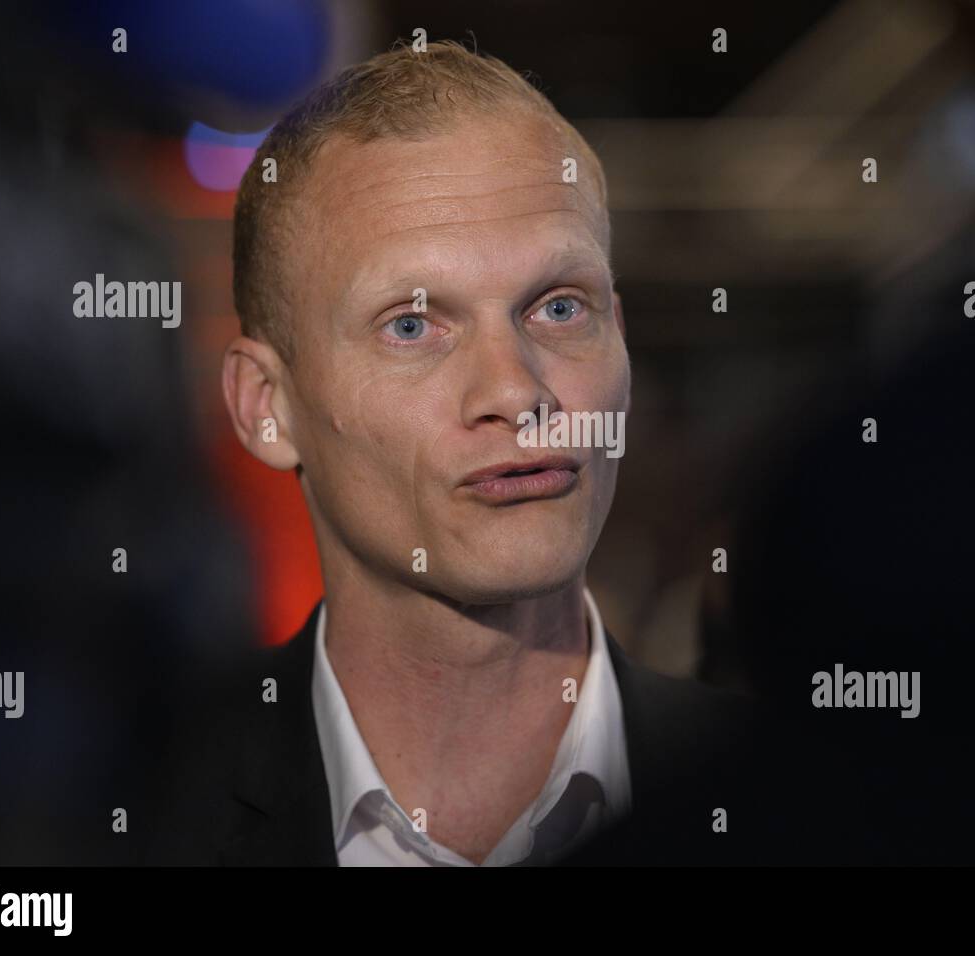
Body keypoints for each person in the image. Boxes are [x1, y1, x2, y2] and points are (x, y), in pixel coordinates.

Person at [148, 40, 756, 867]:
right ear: (267, 406)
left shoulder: (817, 812)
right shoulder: (102, 813)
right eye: (412, 325)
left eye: (559, 309)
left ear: (621, 334)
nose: (514, 392)